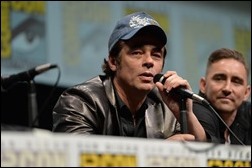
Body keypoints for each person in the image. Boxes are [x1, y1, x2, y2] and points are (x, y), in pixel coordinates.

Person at [52, 11, 207, 142]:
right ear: (113, 62)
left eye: (156, 54)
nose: (149, 61)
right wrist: (158, 154)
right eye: (137, 53)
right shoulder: (80, 101)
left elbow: (203, 155)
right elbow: (79, 158)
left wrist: (185, 113)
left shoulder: (166, 105)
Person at [193, 48, 251, 145]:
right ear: (203, 85)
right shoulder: (196, 110)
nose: (227, 89)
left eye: (236, 82)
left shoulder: (247, 113)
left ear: (246, 93)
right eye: (219, 79)